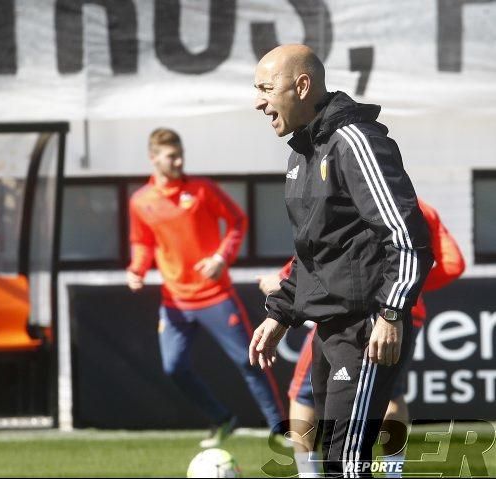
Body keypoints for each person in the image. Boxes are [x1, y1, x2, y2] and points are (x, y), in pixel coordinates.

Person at [249, 44, 434, 475]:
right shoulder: (301, 154)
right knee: (334, 458)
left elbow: (407, 234)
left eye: (265, 88)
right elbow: (313, 254)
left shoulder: (355, 141)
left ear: (302, 85)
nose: (258, 100)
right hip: (329, 330)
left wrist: (390, 312)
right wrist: (280, 315)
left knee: (343, 462)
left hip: (366, 326)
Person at [257, 198, 465, 477]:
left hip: (350, 314)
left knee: (303, 396)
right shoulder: (420, 208)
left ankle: (310, 473)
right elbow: (453, 264)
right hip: (405, 316)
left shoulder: (351, 199)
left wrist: (281, 284)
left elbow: (319, 254)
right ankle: (393, 473)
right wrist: (407, 289)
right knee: (392, 397)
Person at [127, 128, 285, 448]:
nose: (179, 160)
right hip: (174, 300)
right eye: (172, 156)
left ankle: (280, 430)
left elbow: (238, 221)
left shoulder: (202, 189)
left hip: (215, 296)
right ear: (153, 158)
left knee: (249, 359)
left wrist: (220, 258)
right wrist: (137, 269)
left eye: (180, 153)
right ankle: (221, 419)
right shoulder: (141, 201)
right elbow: (142, 242)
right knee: (174, 367)